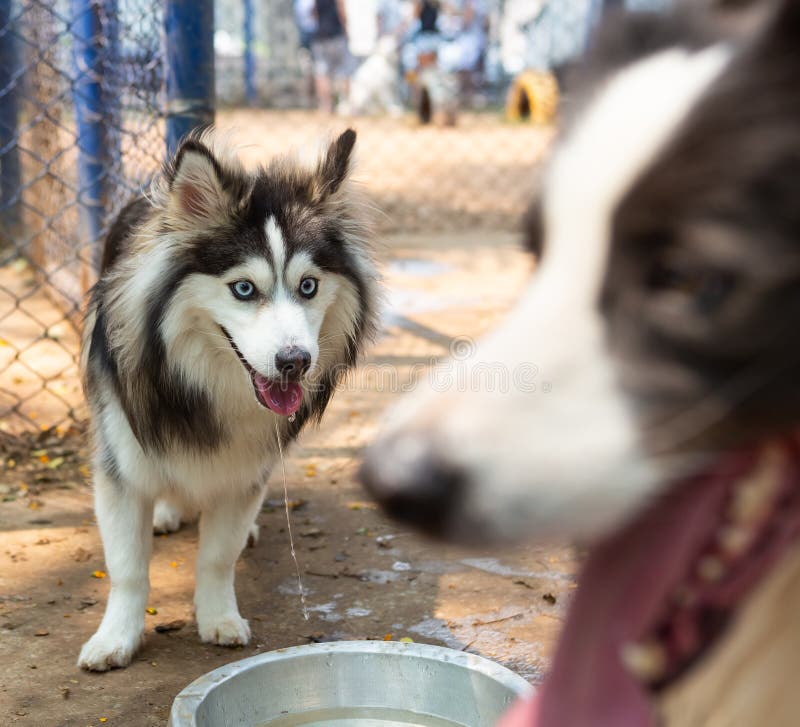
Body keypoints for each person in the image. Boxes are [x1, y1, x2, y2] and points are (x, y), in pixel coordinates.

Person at [310, 0, 353, 113]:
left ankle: (325, 106)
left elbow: (313, 13)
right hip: (336, 35)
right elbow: (342, 12)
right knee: (344, 72)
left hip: (321, 36)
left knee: (322, 73)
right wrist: (346, 31)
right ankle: (345, 104)